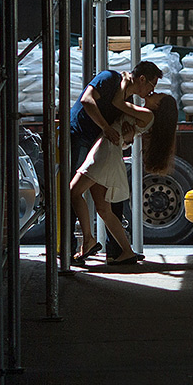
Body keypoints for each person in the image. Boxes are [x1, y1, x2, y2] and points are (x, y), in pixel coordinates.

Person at [68, 61, 163, 260]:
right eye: (151, 86)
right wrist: (108, 128)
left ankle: (98, 244)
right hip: (81, 136)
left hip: (102, 148)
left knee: (79, 194)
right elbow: (87, 101)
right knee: (100, 205)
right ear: (142, 79)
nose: (151, 92)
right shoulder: (109, 78)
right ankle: (104, 247)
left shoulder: (133, 105)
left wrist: (124, 137)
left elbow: (122, 129)